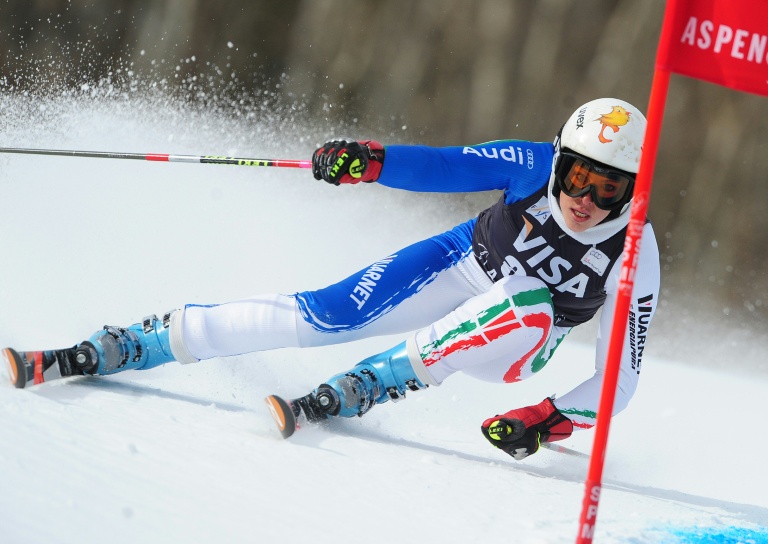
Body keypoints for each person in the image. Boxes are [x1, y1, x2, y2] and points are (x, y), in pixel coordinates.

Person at [2, 98, 659, 460]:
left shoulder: (637, 252)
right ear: (560, 160)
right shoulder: (530, 164)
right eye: (576, 176)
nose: (586, 200)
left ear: (633, 191)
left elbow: (618, 381)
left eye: (608, 189)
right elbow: (443, 167)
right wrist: (369, 162)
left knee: (524, 301)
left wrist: (545, 418)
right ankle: (132, 343)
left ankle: (377, 379)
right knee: (321, 314)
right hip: (461, 262)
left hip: (518, 345)